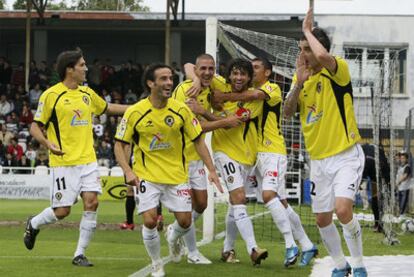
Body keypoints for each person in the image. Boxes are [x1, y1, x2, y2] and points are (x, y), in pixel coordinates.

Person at [23, 48, 129, 267]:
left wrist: (137, 108)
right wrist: (46, 143)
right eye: (82, 65)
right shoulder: (52, 95)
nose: (86, 68)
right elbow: (35, 126)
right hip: (64, 163)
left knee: (92, 202)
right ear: (69, 69)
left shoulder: (87, 93)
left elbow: (107, 108)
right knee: (62, 211)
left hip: (88, 160)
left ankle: (79, 253)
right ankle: (33, 224)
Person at [114, 63, 221, 277]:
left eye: (171, 78)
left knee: (185, 221)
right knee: (150, 221)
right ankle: (156, 264)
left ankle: (173, 235)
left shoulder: (181, 109)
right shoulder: (135, 112)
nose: (169, 83)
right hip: (147, 177)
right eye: (163, 79)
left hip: (177, 176)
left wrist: (211, 170)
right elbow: (120, 144)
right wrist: (128, 171)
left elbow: (198, 140)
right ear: (150, 83)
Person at [283, 7, 367, 277]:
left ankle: (359, 266)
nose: (304, 54)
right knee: (321, 218)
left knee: (343, 210)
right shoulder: (304, 81)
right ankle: (341, 266)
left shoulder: (338, 70)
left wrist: (308, 30)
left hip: (346, 155)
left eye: (306, 48)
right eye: (301, 49)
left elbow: (322, 55)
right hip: (318, 161)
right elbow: (287, 112)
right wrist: (297, 84)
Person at [213, 57, 318, 267]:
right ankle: (307, 244)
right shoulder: (247, 94)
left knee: (268, 195)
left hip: (273, 151)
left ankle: (290, 245)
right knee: (281, 203)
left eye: (255, 68)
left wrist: (222, 97)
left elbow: (255, 94)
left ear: (267, 72)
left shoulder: (271, 89)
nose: (250, 72)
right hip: (256, 155)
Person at [172, 53, 242, 264]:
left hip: (197, 156)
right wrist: (224, 122)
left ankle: (174, 231)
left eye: (211, 69)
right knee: (187, 205)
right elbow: (194, 128)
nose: (207, 72)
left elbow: (187, 63)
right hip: (179, 158)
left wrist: (216, 115)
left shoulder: (210, 88)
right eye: (202, 69)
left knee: (201, 204)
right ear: (197, 69)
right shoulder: (186, 90)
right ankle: (192, 253)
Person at [361, 143, 390, 232]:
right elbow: (386, 167)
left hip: (368, 166)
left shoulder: (363, 148)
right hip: (378, 169)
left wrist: (360, 181)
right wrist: (388, 182)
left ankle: (378, 224)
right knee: (376, 197)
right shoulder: (379, 151)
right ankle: (379, 224)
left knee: (375, 197)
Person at [396, 151, 411, 216]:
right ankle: (400, 214)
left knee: (403, 202)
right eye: (401, 158)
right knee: (399, 201)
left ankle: (402, 214)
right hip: (400, 187)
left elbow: (405, 176)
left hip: (405, 187)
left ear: (406, 159)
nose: (402, 160)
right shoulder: (400, 166)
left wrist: (398, 181)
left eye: (403, 158)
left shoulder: (407, 167)